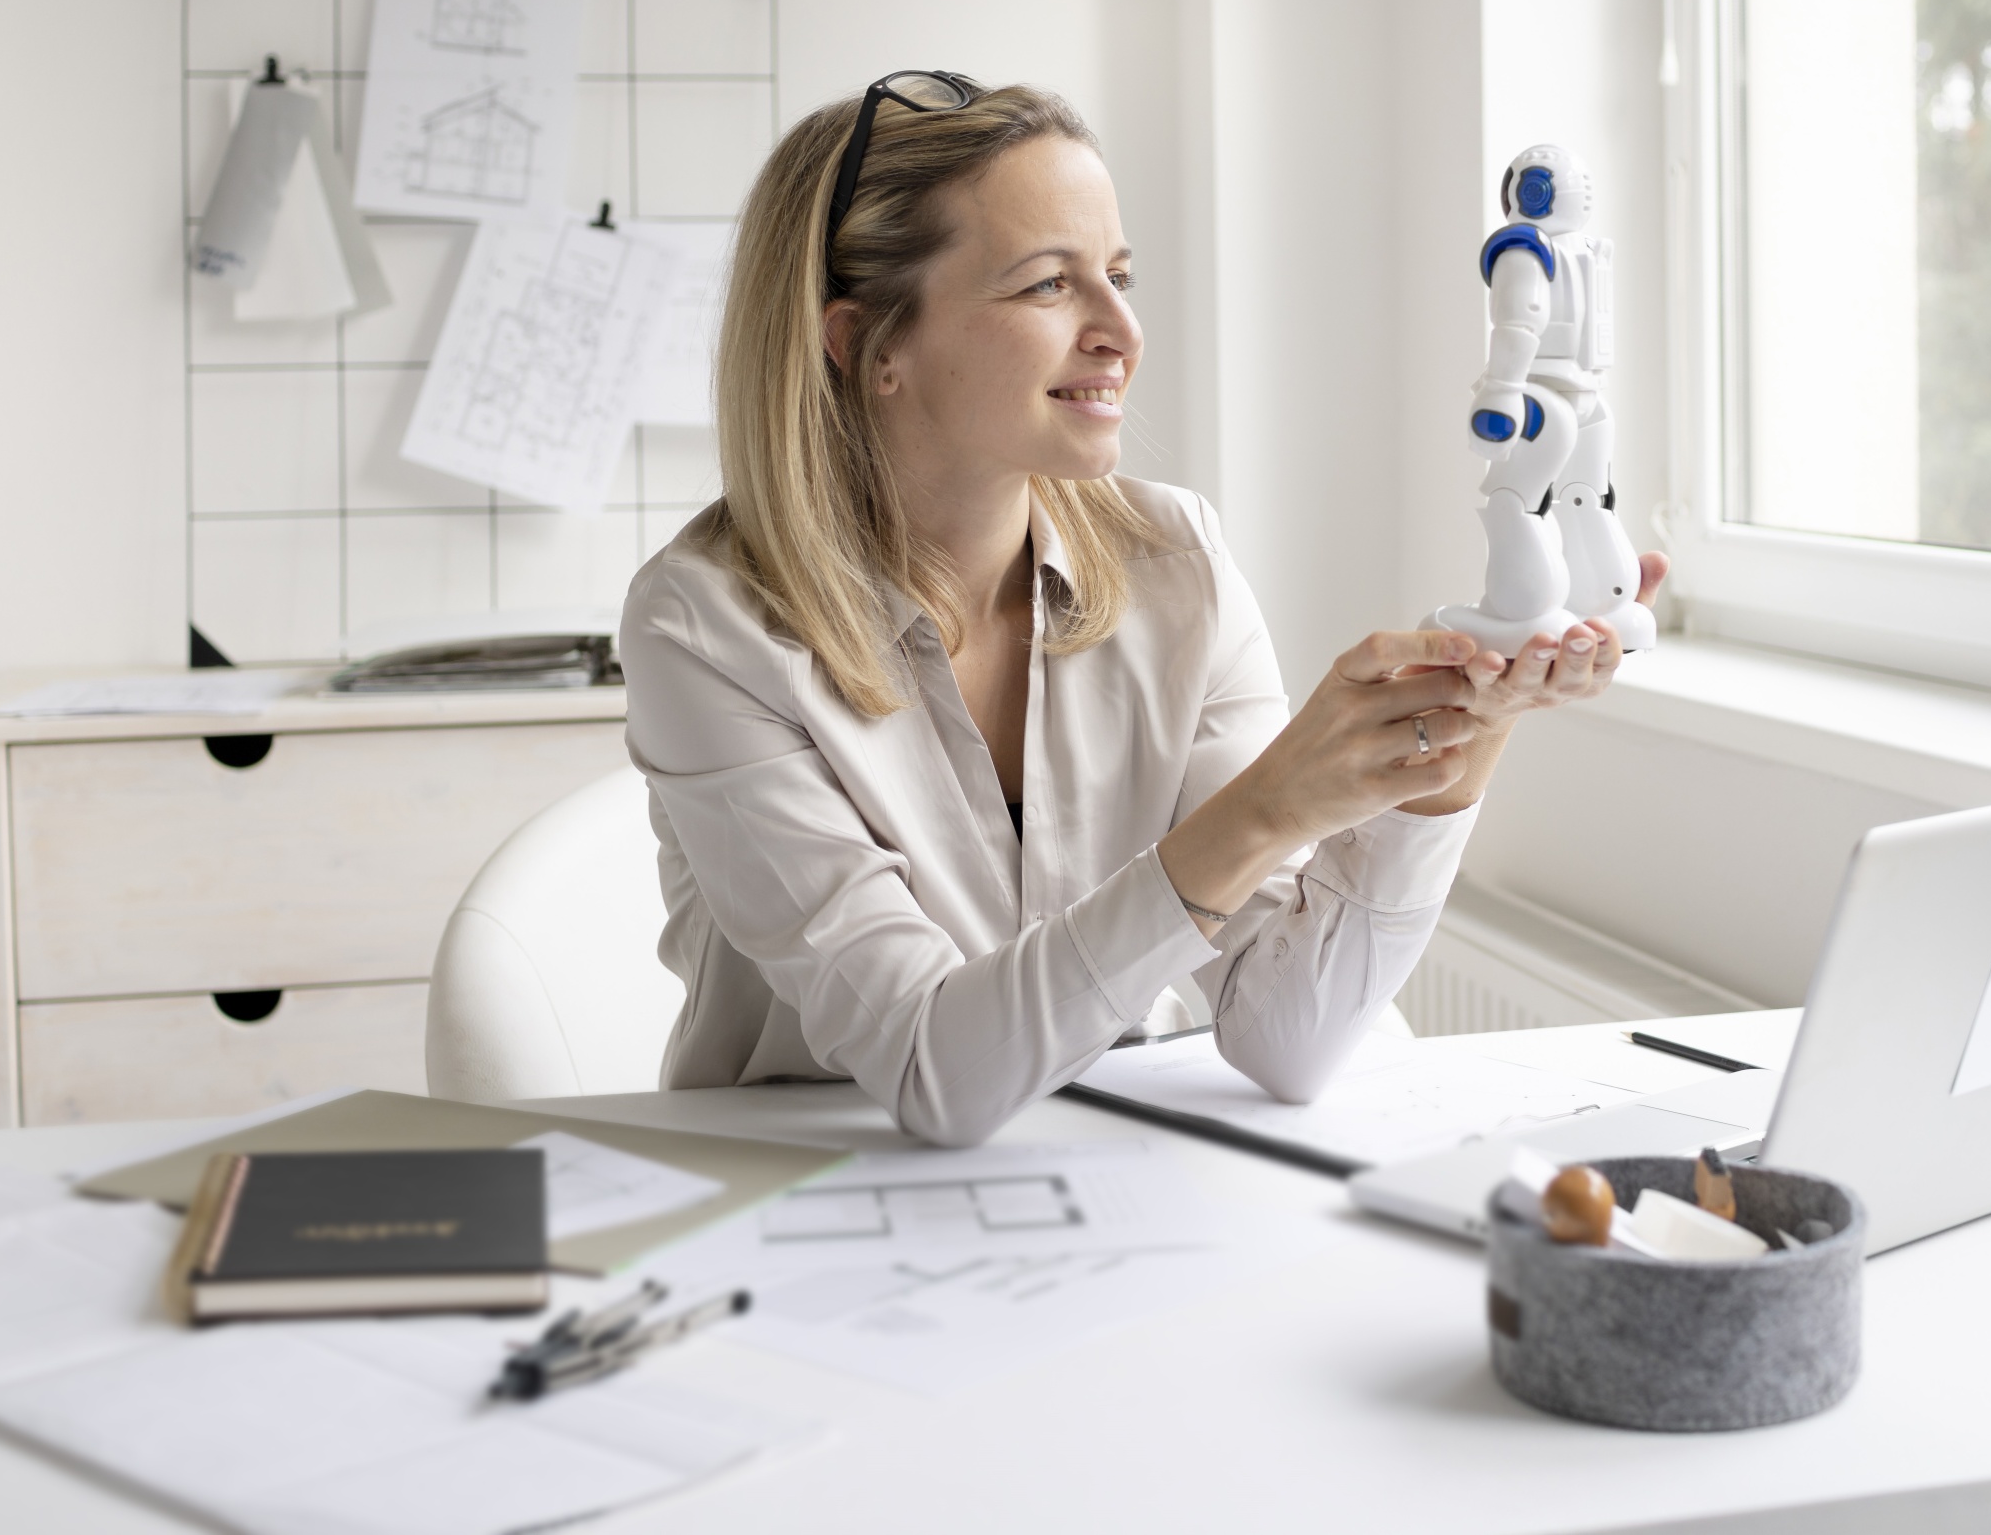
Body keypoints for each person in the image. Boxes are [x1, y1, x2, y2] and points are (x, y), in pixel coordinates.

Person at [620, 73, 1667, 1146]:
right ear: (866, 344)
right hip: (803, 1193)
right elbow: (934, 1071)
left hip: (1107, 1172)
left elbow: (1287, 1037)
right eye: (1046, 287)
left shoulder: (1176, 563)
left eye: (1118, 276)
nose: (1120, 329)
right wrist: (1268, 808)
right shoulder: (704, 627)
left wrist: (1465, 722)